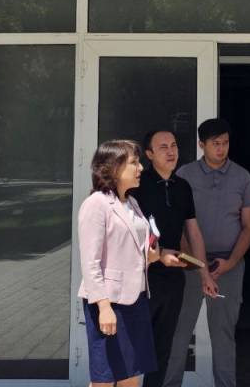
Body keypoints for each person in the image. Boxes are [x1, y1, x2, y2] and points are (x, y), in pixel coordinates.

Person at [163, 118, 250, 387]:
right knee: (179, 331)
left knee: (223, 333)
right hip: (188, 264)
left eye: (225, 143)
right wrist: (195, 262)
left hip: (227, 265)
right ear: (201, 144)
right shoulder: (184, 175)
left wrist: (231, 262)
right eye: (215, 143)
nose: (221, 148)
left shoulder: (242, 176)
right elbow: (176, 224)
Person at [131, 129, 219, 387]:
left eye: (174, 146)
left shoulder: (182, 187)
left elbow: (193, 232)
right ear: (149, 154)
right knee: (133, 347)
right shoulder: (137, 185)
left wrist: (204, 273)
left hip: (172, 277)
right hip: (140, 277)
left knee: (162, 348)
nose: (171, 152)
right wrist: (157, 256)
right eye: (163, 147)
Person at [78, 139, 162, 387]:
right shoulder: (96, 204)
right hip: (109, 302)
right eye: (134, 163)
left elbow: (131, 248)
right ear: (113, 168)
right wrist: (104, 307)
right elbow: (90, 262)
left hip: (136, 299)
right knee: (104, 378)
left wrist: (150, 255)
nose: (141, 168)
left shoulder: (131, 202)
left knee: (131, 376)